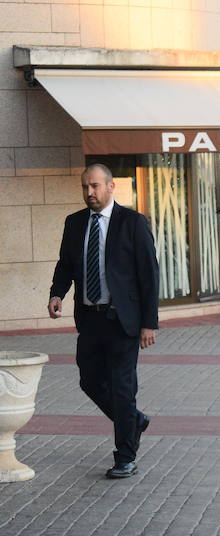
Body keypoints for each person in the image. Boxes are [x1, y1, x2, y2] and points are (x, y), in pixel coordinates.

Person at [48, 164, 160, 479]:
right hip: (90, 319)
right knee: (89, 380)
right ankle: (133, 421)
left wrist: (148, 323)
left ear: (111, 187)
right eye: (85, 187)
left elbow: (149, 275)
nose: (89, 193)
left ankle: (125, 456)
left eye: (95, 186)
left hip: (122, 320)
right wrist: (56, 294)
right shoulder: (74, 223)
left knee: (123, 389)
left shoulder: (132, 223)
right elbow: (65, 265)